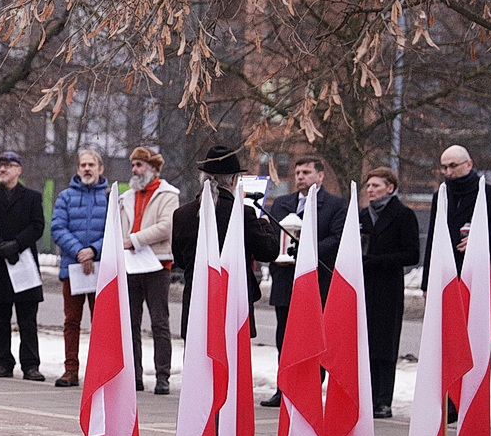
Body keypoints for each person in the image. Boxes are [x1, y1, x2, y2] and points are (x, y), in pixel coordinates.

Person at [170, 143, 279, 342]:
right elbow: (269, 251)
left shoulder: (182, 215)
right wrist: (264, 222)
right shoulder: (244, 214)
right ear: (234, 180)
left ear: (202, 177)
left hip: (197, 302)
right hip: (233, 304)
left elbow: (180, 261)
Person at [262, 155, 346, 406]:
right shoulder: (282, 203)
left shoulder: (335, 205)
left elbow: (337, 238)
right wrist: (275, 255)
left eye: (306, 172)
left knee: (314, 338)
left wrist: (307, 251)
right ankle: (284, 388)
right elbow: (272, 235)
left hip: (317, 281)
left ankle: (311, 389)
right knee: (285, 337)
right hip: (286, 279)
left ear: (320, 176)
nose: (300, 177)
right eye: (298, 172)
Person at [0, 151, 46, 380]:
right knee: (0, 318)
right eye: (0, 166)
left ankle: (30, 365)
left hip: (23, 263)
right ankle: (4, 362)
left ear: (19, 170)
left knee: (27, 319)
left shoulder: (32, 198)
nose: (2, 169)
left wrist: (17, 244)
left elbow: (37, 226)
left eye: (8, 165)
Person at [359, 167, 420, 419]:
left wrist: (377, 260)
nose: (370, 190)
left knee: (384, 345)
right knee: (364, 344)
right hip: (364, 286)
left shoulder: (403, 215)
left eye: (376, 186)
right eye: (368, 186)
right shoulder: (362, 215)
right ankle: (366, 397)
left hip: (388, 288)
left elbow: (412, 254)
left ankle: (383, 400)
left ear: (390, 188)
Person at [117, 146, 179, 395]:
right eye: (133, 165)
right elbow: (120, 226)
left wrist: (134, 240)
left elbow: (166, 226)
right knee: (131, 322)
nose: (134, 170)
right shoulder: (127, 197)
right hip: (131, 263)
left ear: (153, 168)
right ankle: (135, 375)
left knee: (159, 322)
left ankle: (163, 376)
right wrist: (125, 244)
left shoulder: (168, 194)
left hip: (157, 263)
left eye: (139, 165)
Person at [49, 149, 110, 387]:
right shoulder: (65, 197)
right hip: (72, 269)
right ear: (77, 169)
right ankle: (70, 369)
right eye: (83, 165)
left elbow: (115, 230)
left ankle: (100, 371)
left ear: (100, 169)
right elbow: (57, 228)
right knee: (71, 322)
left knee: (101, 324)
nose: (87, 169)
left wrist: (94, 250)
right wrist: (79, 252)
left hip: (101, 270)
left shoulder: (110, 197)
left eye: (91, 165)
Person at [420, 144, 491, 291]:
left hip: (476, 277)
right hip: (444, 277)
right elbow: (432, 240)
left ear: (469, 164)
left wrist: (480, 240)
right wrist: (426, 285)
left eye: (453, 166)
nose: (448, 172)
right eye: (444, 167)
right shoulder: (441, 196)